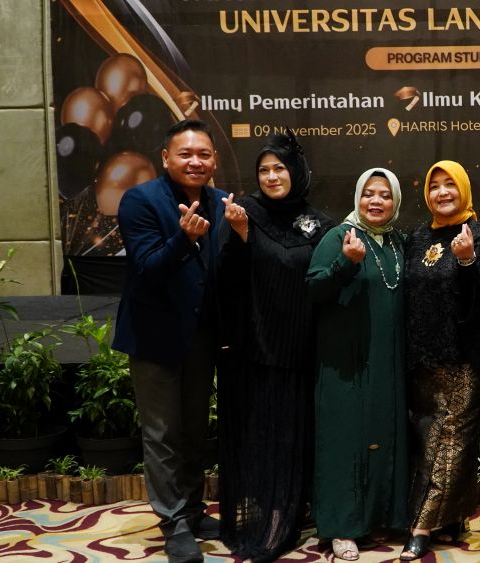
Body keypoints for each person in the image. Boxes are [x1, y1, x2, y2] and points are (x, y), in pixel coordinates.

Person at [113, 119, 232, 563]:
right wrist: (185, 239)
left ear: (214, 160)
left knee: (195, 431)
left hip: (203, 337)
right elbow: (147, 269)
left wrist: (241, 236)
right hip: (155, 337)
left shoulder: (223, 202)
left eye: (203, 154)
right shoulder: (140, 200)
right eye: (185, 154)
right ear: (166, 158)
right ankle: (174, 522)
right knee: (162, 434)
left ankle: (194, 511)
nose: (195, 161)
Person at [215, 133, 332, 562]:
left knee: (294, 436)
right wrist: (240, 235)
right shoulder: (244, 212)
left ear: (296, 171)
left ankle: (291, 511)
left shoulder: (319, 223)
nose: (271, 177)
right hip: (255, 350)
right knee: (263, 436)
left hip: (301, 351)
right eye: (263, 170)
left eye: (279, 168)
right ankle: (268, 516)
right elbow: (226, 278)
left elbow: (320, 281)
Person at [399, 160, 480, 560]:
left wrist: (467, 261)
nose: (442, 192)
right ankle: (452, 517)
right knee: (426, 439)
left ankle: (421, 526)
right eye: (435, 185)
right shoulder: (416, 237)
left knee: (451, 442)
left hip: (462, 357)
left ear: (463, 189)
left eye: (450, 185)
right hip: (421, 356)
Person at [306, 167, 408, 561]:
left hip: (385, 359)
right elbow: (314, 289)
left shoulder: (396, 241)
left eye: (384, 194)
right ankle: (342, 526)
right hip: (344, 362)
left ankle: (378, 516)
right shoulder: (339, 237)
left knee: (381, 434)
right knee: (344, 440)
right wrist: (345, 263)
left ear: (396, 201)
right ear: (357, 197)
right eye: (369, 193)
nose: (376, 201)